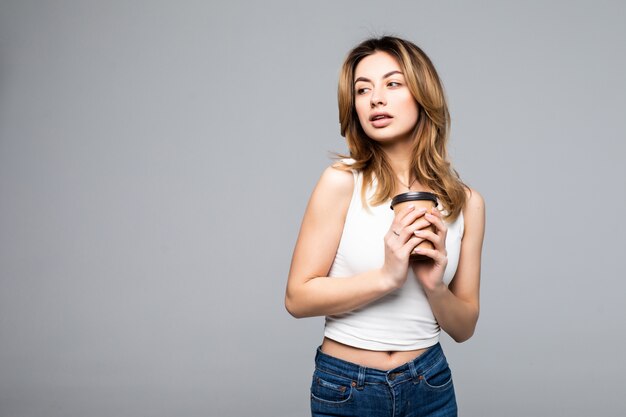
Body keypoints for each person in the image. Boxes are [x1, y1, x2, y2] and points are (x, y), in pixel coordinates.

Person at [285, 36, 485, 417]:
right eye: (363, 89)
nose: (375, 98)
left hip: (430, 384)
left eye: (393, 83)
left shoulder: (467, 202)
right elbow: (297, 298)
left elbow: (464, 327)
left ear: (423, 94)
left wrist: (434, 286)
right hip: (346, 387)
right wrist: (387, 277)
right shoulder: (342, 181)